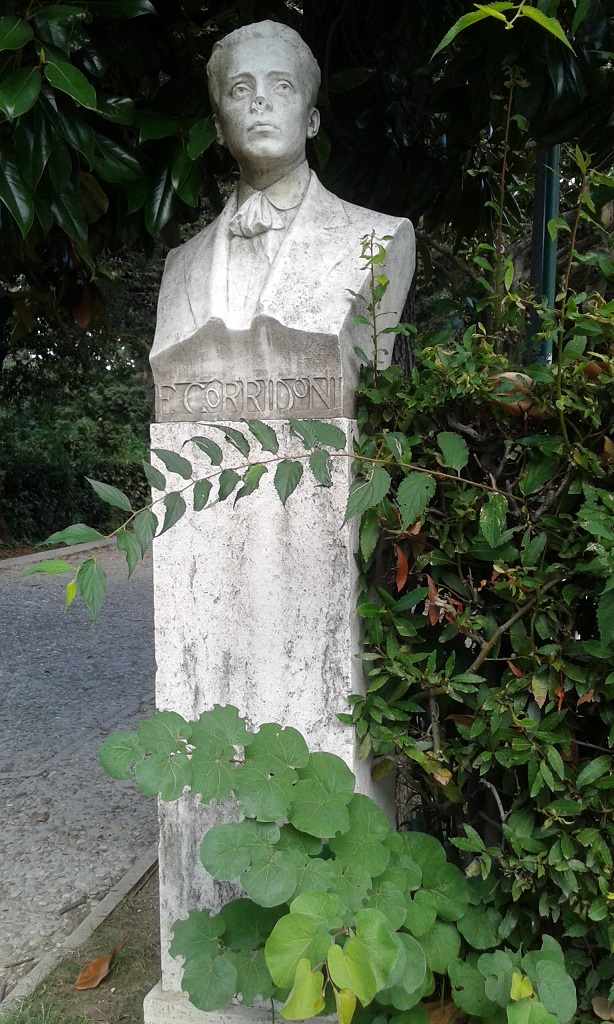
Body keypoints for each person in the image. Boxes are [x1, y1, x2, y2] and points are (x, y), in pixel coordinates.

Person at [150, 21, 414, 421]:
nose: (260, 101)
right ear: (219, 128)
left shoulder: (378, 238)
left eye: (281, 86)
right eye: (240, 89)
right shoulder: (181, 265)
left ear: (312, 121)